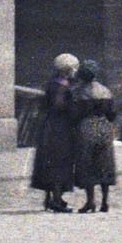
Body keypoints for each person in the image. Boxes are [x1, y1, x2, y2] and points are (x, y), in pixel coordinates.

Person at [30, 52, 79, 212]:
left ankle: (49, 198)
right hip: (60, 128)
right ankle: (56, 200)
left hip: (49, 126)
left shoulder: (52, 84)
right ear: (68, 69)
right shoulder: (62, 87)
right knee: (59, 161)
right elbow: (60, 106)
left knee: (49, 161)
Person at [71, 58, 119, 213]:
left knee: (87, 164)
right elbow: (112, 114)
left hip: (86, 128)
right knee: (104, 164)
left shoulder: (78, 92)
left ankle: (90, 201)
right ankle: (105, 202)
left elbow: (74, 114)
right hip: (104, 127)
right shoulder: (105, 91)